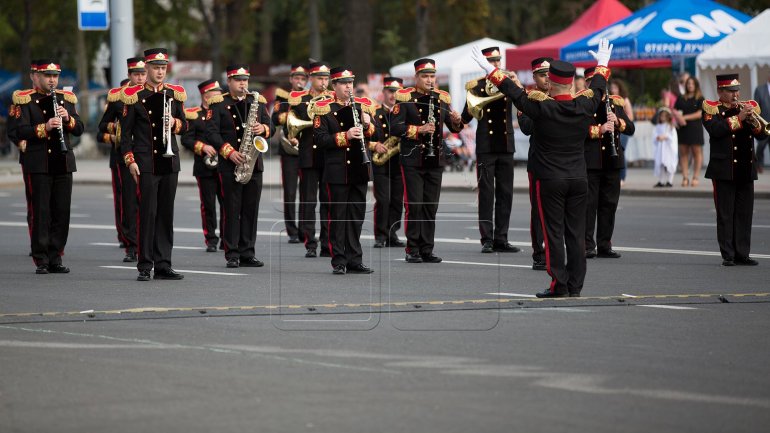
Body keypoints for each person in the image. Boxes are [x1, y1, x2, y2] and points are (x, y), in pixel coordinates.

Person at [471, 38, 614, 298]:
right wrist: (602, 62)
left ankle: (559, 284)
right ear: (570, 82)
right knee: (576, 233)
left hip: (550, 179)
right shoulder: (584, 105)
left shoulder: (541, 107)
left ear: (552, 81)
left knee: (554, 233)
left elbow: (513, 91)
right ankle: (575, 285)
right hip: (578, 178)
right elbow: (600, 88)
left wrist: (490, 70)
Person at [120, 48, 188, 281]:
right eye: (156, 68)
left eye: (163, 68)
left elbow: (186, 127)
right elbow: (125, 135)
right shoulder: (133, 96)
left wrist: (176, 123)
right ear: (146, 68)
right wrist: (130, 161)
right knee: (147, 213)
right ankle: (144, 265)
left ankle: (163, 264)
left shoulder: (175, 94)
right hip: (146, 161)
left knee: (165, 214)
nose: (160, 72)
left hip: (169, 161)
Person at [14, 59, 84, 274]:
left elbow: (80, 129)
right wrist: (44, 127)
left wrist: (68, 119)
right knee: (41, 212)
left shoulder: (66, 99)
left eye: (55, 76)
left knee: (61, 212)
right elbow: (19, 131)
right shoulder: (24, 100)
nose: (52, 80)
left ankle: (56, 256)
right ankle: (41, 258)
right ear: (38, 76)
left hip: (63, 162)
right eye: (48, 76)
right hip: (39, 163)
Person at [390, 58, 463, 263]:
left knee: (431, 206)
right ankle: (412, 248)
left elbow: (453, 126)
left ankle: (427, 249)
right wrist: (418, 130)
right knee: (414, 205)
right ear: (416, 77)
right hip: (412, 159)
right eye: (425, 76)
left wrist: (458, 122)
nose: (430, 80)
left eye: (432, 76)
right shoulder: (405, 97)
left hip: (435, 159)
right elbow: (394, 127)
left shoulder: (441, 98)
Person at [312, 66, 377, 274]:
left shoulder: (360, 106)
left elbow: (373, 132)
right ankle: (338, 260)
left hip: (359, 167)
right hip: (337, 169)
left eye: (350, 83)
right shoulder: (323, 109)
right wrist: (345, 136)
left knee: (356, 216)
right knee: (338, 216)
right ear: (335, 85)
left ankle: (355, 259)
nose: (349, 87)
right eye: (344, 84)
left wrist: (367, 125)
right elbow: (320, 140)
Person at [205, 64, 272, 268]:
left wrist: (263, 128)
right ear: (229, 81)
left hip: (253, 164)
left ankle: (248, 252)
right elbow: (211, 133)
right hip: (230, 164)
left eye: (245, 80)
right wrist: (229, 152)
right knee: (232, 210)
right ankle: (232, 253)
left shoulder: (257, 102)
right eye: (238, 80)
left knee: (251, 210)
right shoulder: (218, 103)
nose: (243, 83)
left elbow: (272, 127)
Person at [703, 73, 767, 266]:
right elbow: (716, 130)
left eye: (737, 90)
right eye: (731, 91)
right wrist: (739, 118)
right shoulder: (711, 108)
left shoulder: (748, 107)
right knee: (725, 213)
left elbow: (762, 135)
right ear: (720, 91)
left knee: (744, 213)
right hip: (724, 168)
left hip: (746, 168)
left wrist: (753, 122)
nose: (735, 94)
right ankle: (728, 255)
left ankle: (743, 254)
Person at [461, 46, 519, 255]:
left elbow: (522, 100)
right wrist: (464, 113)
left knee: (506, 193)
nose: (496, 65)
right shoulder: (476, 86)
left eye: (497, 61)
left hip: (505, 144)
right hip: (486, 145)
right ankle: (487, 238)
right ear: (483, 63)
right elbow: (466, 117)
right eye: (491, 62)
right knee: (486, 193)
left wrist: (516, 84)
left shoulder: (508, 82)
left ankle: (501, 238)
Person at [583, 66, 635, 260]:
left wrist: (618, 121)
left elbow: (631, 128)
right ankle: (588, 245)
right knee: (589, 206)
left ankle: (605, 244)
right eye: (591, 82)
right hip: (591, 162)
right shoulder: (582, 103)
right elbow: (577, 130)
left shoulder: (615, 103)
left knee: (609, 205)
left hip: (612, 162)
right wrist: (600, 129)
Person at [98, 58, 146, 262]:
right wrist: (118, 130)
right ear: (129, 74)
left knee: (148, 201)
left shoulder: (151, 95)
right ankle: (131, 245)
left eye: (143, 74)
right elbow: (103, 125)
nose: (140, 78)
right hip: (124, 155)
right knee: (128, 201)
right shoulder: (118, 97)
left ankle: (147, 243)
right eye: (136, 74)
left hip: (146, 154)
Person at [291, 61, 333, 258]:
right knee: (309, 202)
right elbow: (291, 125)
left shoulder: (333, 99)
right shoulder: (300, 100)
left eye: (326, 79)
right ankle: (310, 243)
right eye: (320, 78)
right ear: (311, 79)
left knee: (328, 201)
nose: (324, 82)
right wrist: (291, 136)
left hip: (329, 156)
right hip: (308, 155)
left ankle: (327, 243)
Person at [181, 79, 224, 252]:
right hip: (204, 167)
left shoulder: (222, 113)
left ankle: (227, 238)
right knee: (208, 205)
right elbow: (186, 139)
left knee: (228, 203)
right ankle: (211, 239)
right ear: (206, 96)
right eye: (216, 94)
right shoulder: (194, 115)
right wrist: (203, 147)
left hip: (224, 164)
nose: (220, 97)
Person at [517, 57, 552, 271]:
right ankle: (539, 253)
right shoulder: (528, 99)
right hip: (539, 162)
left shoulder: (564, 96)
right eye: (542, 74)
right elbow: (527, 127)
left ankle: (555, 251)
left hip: (562, 161)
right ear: (534, 77)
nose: (547, 78)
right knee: (538, 210)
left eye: (549, 73)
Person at [272, 64, 308, 243]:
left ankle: (304, 229)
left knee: (306, 191)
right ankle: (292, 230)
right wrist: (290, 114)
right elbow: (275, 118)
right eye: (297, 78)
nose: (300, 82)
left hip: (306, 148)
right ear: (291, 79)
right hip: (288, 148)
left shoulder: (309, 97)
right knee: (290, 191)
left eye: (303, 79)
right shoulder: (282, 97)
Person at [371, 76, 405, 248]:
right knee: (383, 200)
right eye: (390, 91)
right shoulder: (375, 113)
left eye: (397, 92)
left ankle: (392, 233)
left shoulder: (405, 112)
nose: (393, 95)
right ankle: (380, 235)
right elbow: (367, 136)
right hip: (381, 163)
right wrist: (374, 145)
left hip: (400, 162)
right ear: (383, 92)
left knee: (397, 200)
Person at [674, 76, 705, 186]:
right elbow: (675, 109)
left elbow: (700, 113)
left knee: (696, 153)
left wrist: (684, 118)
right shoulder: (681, 97)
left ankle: (696, 176)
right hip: (683, 128)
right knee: (683, 153)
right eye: (688, 83)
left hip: (695, 128)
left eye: (692, 83)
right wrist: (678, 117)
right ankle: (685, 177)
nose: (690, 85)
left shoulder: (700, 98)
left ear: (696, 85)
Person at [610, 79, 634, 185]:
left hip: (622, 128)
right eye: (612, 87)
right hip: (614, 127)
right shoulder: (610, 100)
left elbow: (630, 116)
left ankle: (622, 177)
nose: (613, 89)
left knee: (621, 151)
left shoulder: (624, 100)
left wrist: (619, 120)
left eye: (615, 87)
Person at [652, 107, 678, 187]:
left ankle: (670, 181)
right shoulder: (658, 126)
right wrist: (657, 137)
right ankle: (661, 181)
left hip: (668, 149)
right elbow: (654, 135)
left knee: (670, 164)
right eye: (661, 116)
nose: (662, 118)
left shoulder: (670, 127)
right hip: (661, 149)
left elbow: (673, 138)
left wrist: (666, 137)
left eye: (664, 116)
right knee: (661, 164)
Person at [753, 72, 770, 173]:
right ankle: (759, 165)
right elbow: (756, 107)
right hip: (764, 123)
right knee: (761, 145)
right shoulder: (759, 89)